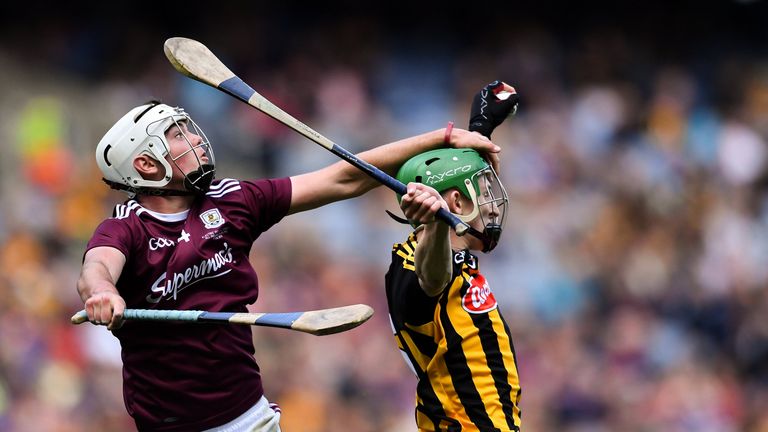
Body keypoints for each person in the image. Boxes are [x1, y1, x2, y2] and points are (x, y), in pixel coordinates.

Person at [76, 100, 501, 431]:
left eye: (188, 127)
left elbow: (345, 178)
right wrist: (102, 292)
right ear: (146, 164)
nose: (195, 139)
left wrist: (442, 139)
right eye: (177, 135)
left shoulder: (233, 201)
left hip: (248, 416)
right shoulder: (126, 228)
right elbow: (97, 266)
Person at [385, 81, 522, 431]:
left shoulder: (454, 256)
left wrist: (480, 130)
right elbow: (431, 280)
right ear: (457, 202)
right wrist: (437, 223)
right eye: (484, 190)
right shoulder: (409, 265)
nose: (494, 205)